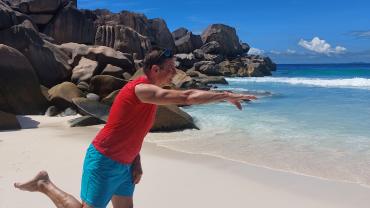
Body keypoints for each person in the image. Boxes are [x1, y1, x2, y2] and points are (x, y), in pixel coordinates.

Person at [14, 48, 257, 208]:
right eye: (170, 67)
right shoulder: (142, 89)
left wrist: (136, 161)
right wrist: (225, 95)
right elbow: (188, 95)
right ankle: (44, 184)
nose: (175, 71)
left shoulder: (150, 96)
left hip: (125, 164)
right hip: (104, 160)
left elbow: (132, 129)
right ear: (155, 70)